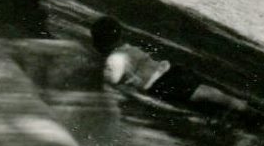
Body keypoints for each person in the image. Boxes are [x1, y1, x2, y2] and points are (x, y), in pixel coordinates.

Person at [89, 16, 251, 120]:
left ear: (99, 43)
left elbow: (114, 81)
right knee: (203, 92)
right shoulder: (128, 47)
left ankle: (231, 111)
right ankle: (236, 104)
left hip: (160, 85)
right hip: (169, 70)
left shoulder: (114, 59)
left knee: (193, 101)